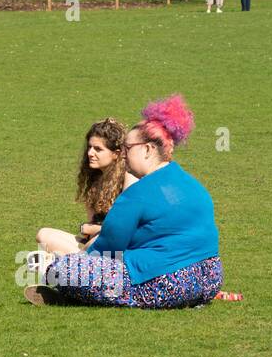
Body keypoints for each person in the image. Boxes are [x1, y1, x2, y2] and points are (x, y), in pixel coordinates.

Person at [25, 95, 222, 309]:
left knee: (63, 269)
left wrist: (74, 262)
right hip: (208, 280)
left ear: (148, 150)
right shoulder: (193, 185)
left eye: (128, 149)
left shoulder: (137, 193)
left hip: (166, 283)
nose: (124, 156)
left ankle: (70, 289)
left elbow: (106, 249)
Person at [34, 118, 136, 259]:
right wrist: (90, 229)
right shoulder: (95, 178)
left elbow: (126, 230)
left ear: (116, 154)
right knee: (44, 234)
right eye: (90, 147)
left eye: (98, 149)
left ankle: (62, 264)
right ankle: (67, 262)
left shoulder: (128, 180)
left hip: (118, 248)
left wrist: (93, 229)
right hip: (94, 245)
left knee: (94, 242)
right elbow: (90, 227)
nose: (90, 153)